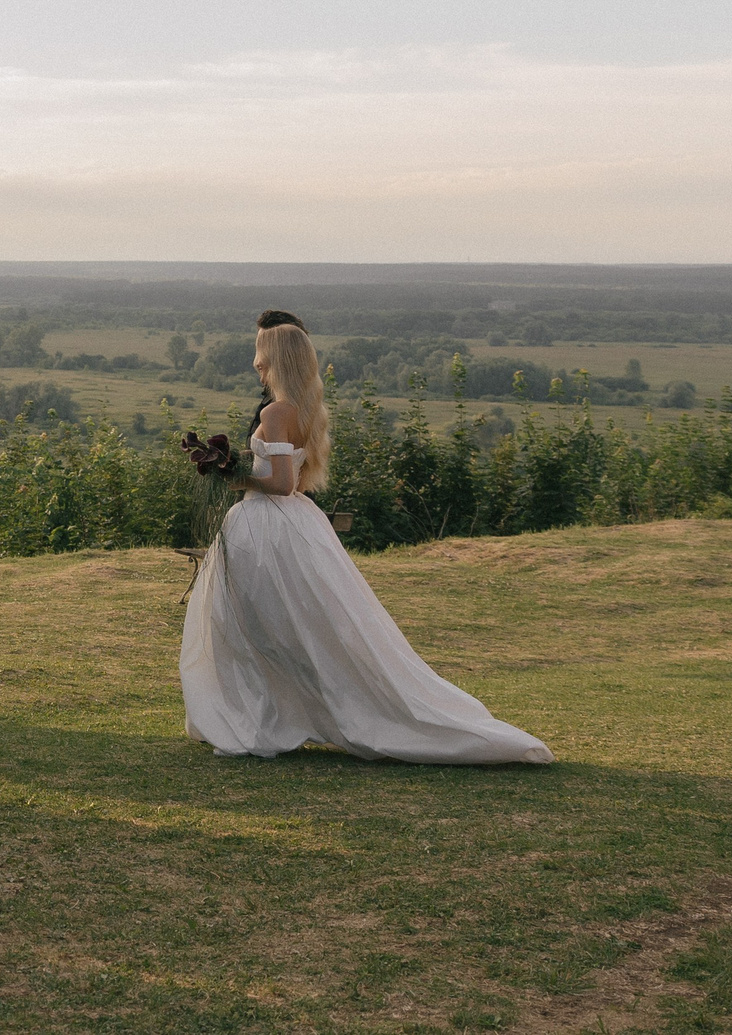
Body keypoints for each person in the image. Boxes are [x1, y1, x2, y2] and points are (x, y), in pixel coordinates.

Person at [180, 318, 553, 765]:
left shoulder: (275, 413)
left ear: (276, 360)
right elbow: (296, 477)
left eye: (261, 358)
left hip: (266, 527)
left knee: (253, 628)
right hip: (295, 523)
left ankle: (264, 719)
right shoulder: (305, 410)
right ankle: (279, 714)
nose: (256, 366)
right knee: (292, 625)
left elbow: (280, 483)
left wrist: (235, 477)